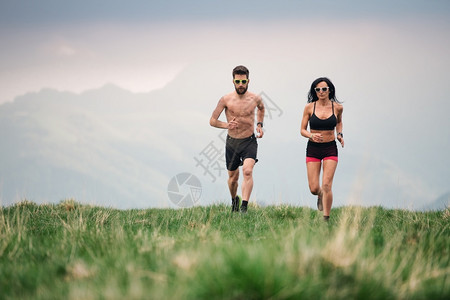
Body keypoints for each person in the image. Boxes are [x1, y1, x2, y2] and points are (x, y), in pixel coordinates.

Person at [209, 65, 265, 213]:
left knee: (247, 171)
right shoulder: (225, 99)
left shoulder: (255, 98)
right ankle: (234, 200)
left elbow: (261, 108)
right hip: (232, 143)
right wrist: (227, 125)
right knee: (233, 178)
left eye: (243, 81)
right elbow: (212, 121)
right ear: (233, 81)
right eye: (238, 81)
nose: (241, 85)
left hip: (249, 141)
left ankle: (244, 207)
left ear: (248, 81)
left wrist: (259, 124)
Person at [300, 77, 344, 221]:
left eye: (324, 89)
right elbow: (302, 130)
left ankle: (326, 218)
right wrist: (311, 135)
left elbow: (339, 123)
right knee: (314, 188)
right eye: (317, 89)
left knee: (326, 184)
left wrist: (340, 134)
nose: (321, 92)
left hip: (330, 148)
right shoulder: (309, 107)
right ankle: (319, 195)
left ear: (329, 90)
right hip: (313, 148)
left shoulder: (337, 107)